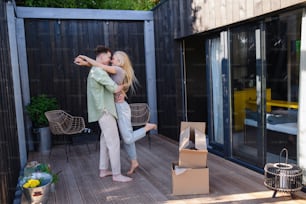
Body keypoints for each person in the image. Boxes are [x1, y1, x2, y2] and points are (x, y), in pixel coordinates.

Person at [75, 51, 157, 175]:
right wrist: (85, 64)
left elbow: (101, 66)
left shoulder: (118, 70)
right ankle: (134, 161)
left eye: (114, 59)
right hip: (116, 107)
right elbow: (99, 67)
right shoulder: (113, 70)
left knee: (128, 138)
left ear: (120, 62)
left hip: (121, 108)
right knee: (126, 136)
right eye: (111, 58)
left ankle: (146, 128)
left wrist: (85, 57)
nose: (111, 60)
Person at [77, 46, 132, 182]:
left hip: (103, 110)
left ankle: (103, 170)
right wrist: (124, 85)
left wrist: (85, 62)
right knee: (113, 143)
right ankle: (117, 174)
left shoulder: (95, 70)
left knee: (104, 141)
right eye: (109, 57)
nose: (110, 60)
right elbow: (114, 89)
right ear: (102, 57)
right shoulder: (98, 72)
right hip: (105, 111)